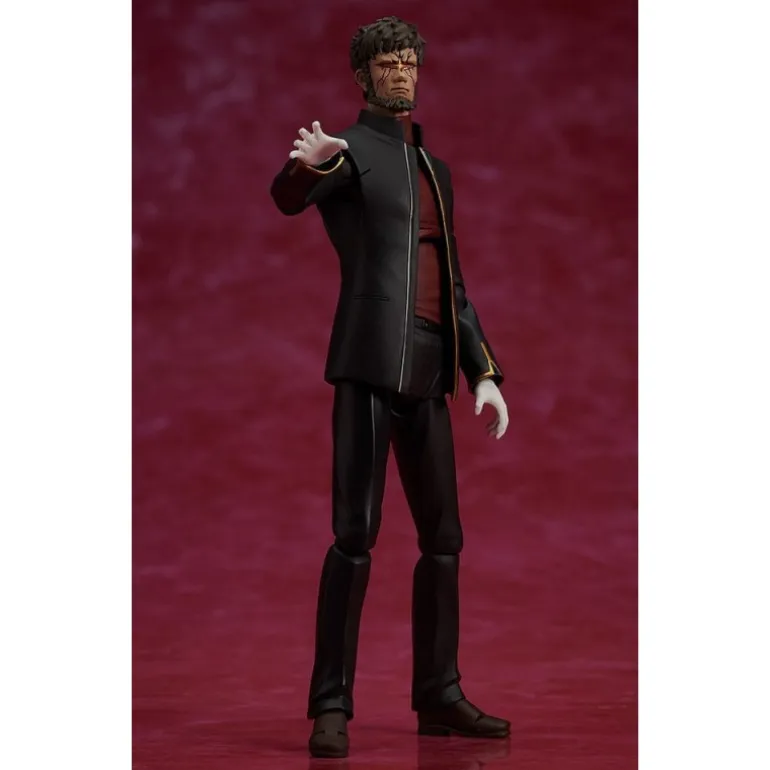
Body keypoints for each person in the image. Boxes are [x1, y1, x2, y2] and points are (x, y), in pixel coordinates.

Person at [270, 16, 510, 759]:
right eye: (387, 63)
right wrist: (310, 165)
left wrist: (483, 371)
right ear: (363, 75)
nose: (401, 72)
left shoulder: (435, 169)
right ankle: (330, 702)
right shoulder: (349, 152)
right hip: (370, 363)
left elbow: (453, 281)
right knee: (355, 536)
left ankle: (439, 693)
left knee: (444, 540)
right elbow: (287, 197)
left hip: (431, 371)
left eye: (408, 61)